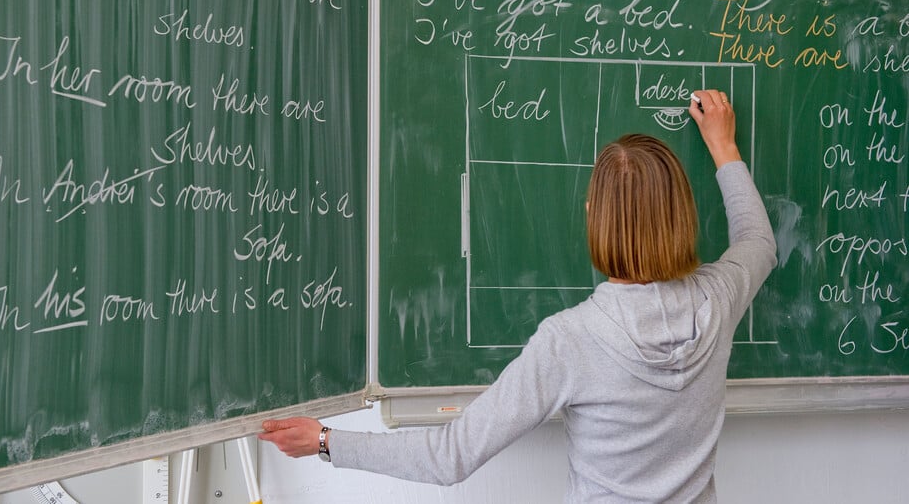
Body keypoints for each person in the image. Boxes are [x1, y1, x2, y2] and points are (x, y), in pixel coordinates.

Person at [259, 89, 778, 503]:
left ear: (593, 216)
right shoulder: (719, 299)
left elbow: (451, 457)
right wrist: (724, 147)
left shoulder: (570, 341)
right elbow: (758, 241)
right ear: (682, 215)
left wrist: (326, 442)